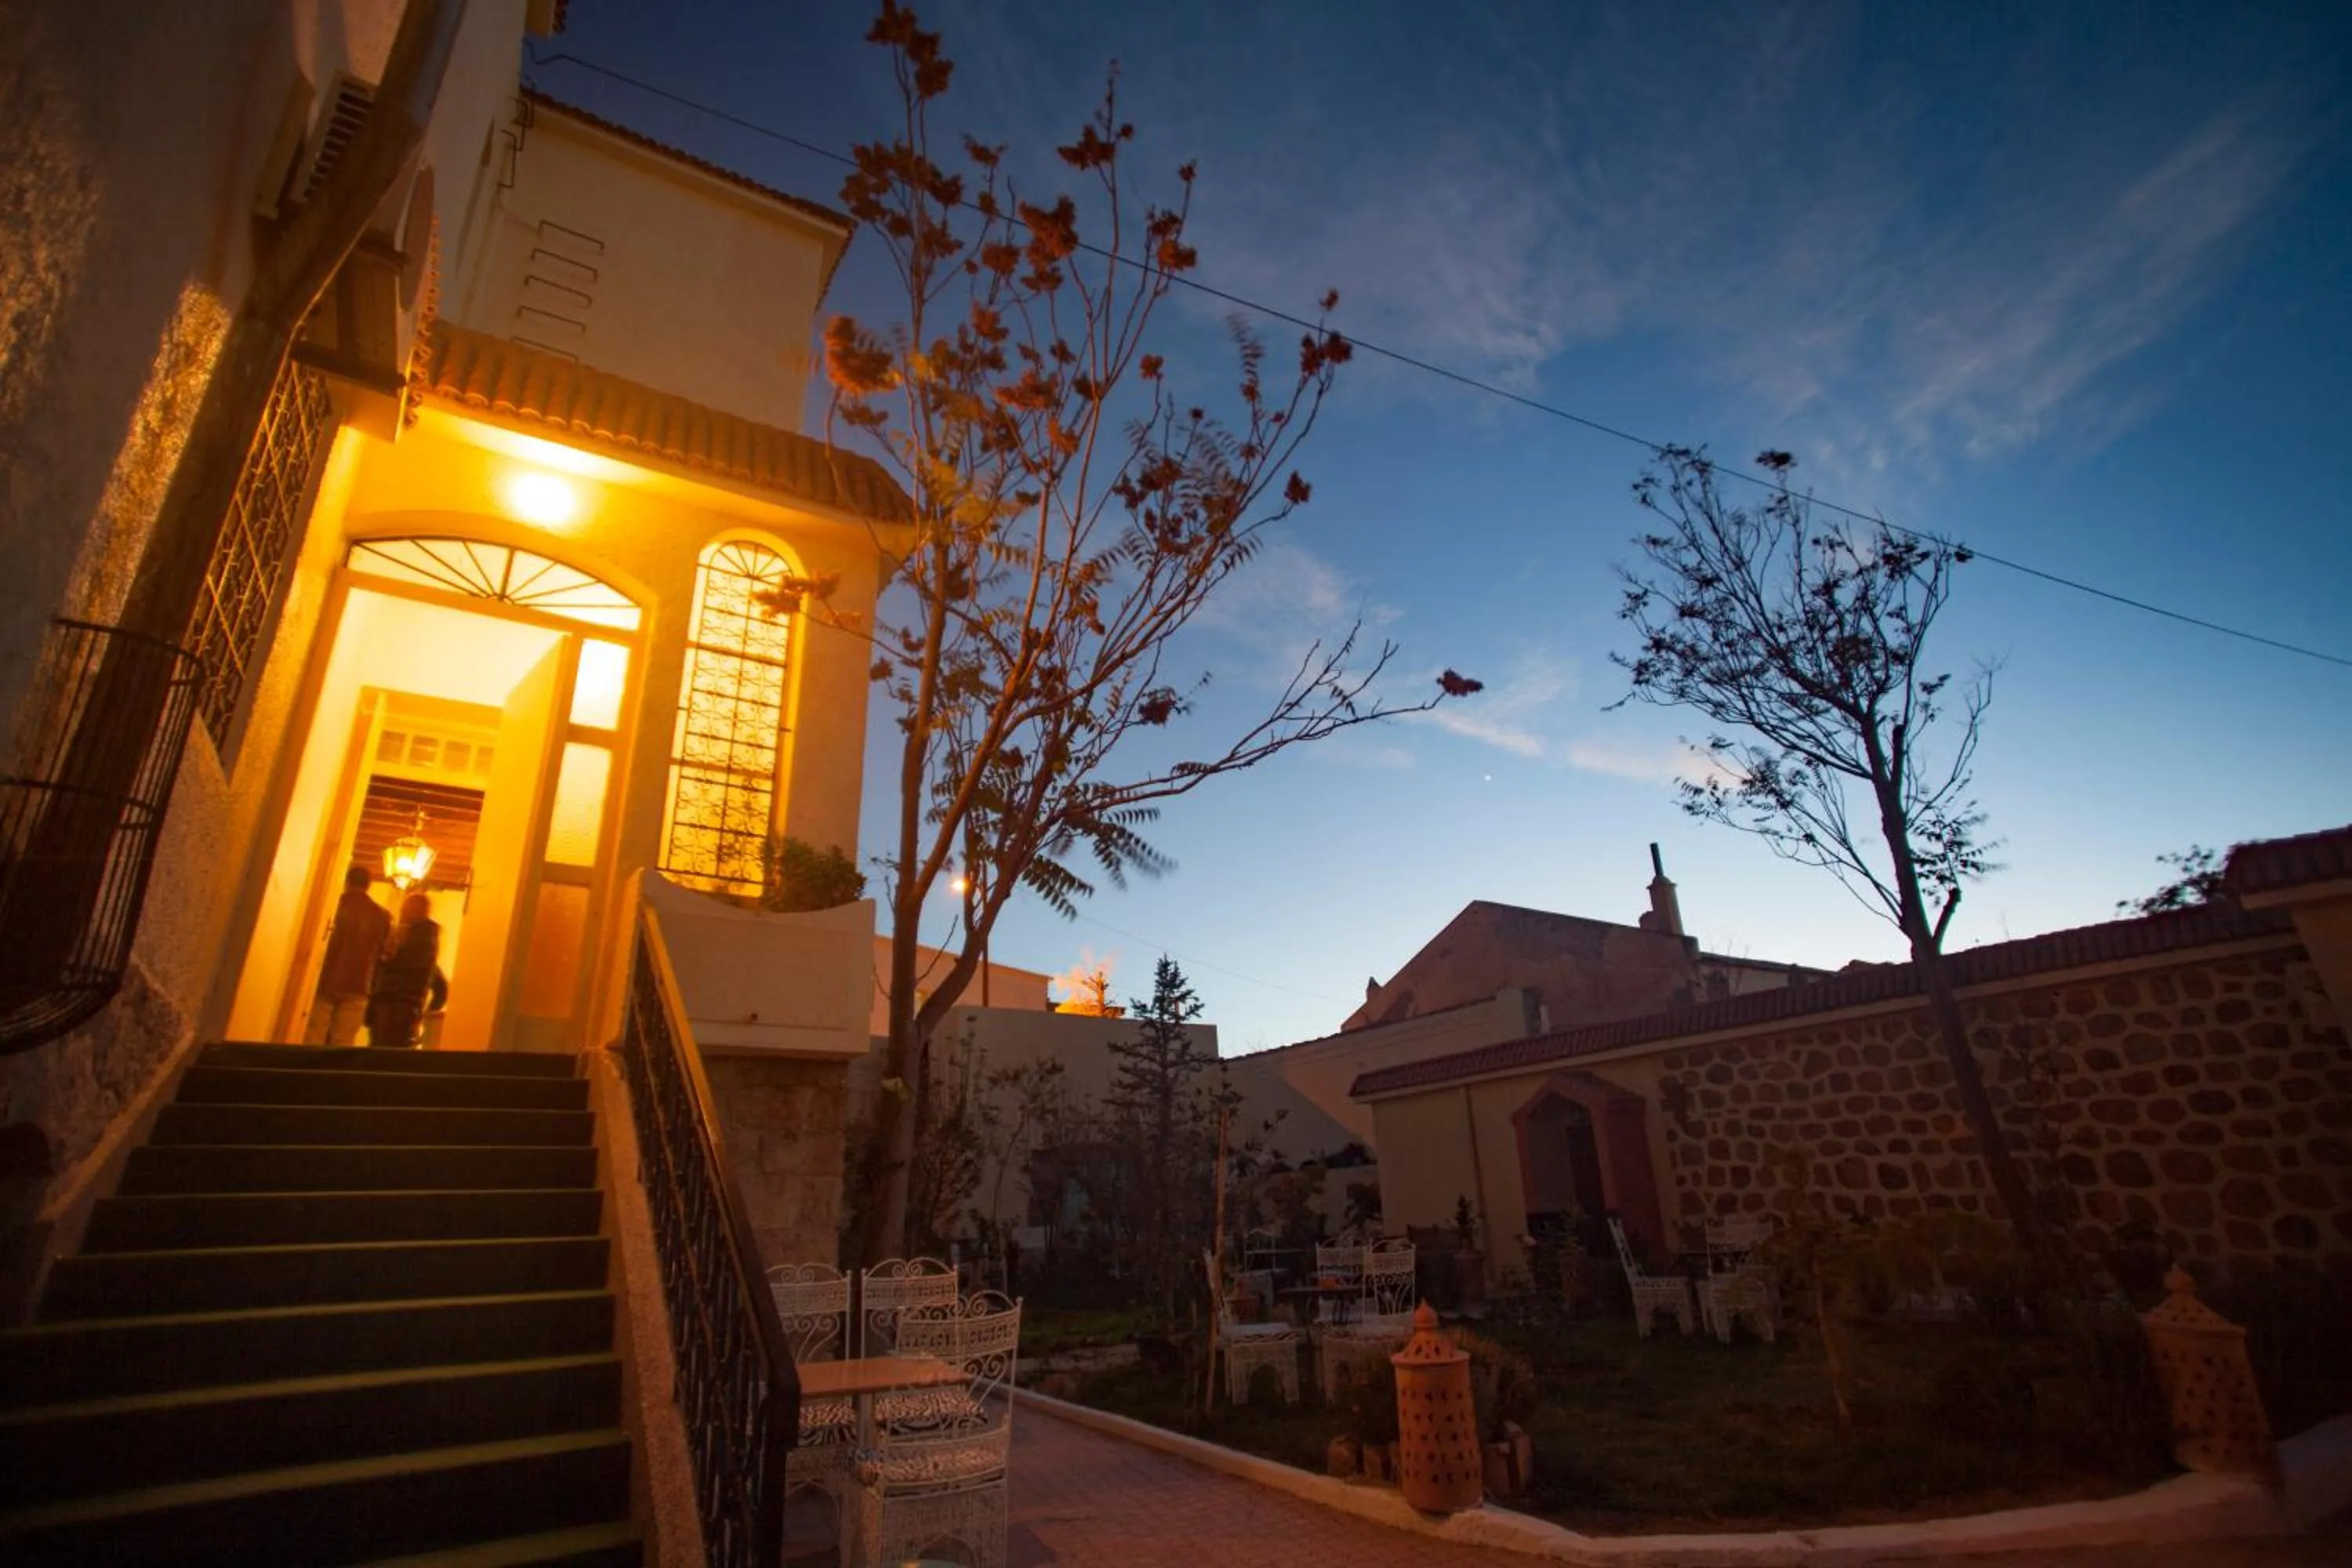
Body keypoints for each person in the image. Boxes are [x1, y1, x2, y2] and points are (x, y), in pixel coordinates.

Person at [305, 867, 390, 1047]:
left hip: (326, 979)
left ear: (347, 881)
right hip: (359, 983)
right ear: (368, 885)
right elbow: (385, 954)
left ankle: (310, 1073)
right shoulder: (381, 915)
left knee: (315, 1036)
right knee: (343, 1042)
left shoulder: (333, 906)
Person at [367, 893, 441, 1048]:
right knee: (398, 1050)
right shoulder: (429, 946)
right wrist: (427, 1012)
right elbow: (441, 988)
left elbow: (386, 964)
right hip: (411, 1005)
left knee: (379, 1049)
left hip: (390, 1000)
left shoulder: (404, 936)